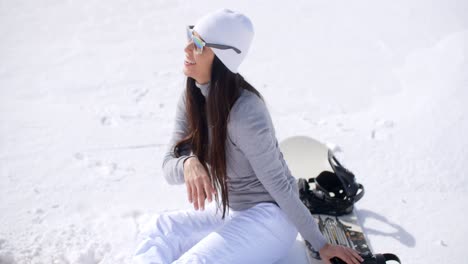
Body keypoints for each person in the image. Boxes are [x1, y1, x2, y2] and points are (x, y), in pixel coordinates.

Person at [133, 8, 364, 264]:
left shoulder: (245, 114)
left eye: (199, 44)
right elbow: (168, 166)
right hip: (230, 210)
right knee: (159, 230)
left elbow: (279, 184)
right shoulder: (192, 97)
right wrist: (188, 163)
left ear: (222, 58)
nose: (187, 49)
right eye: (190, 36)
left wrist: (320, 243)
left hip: (271, 219)